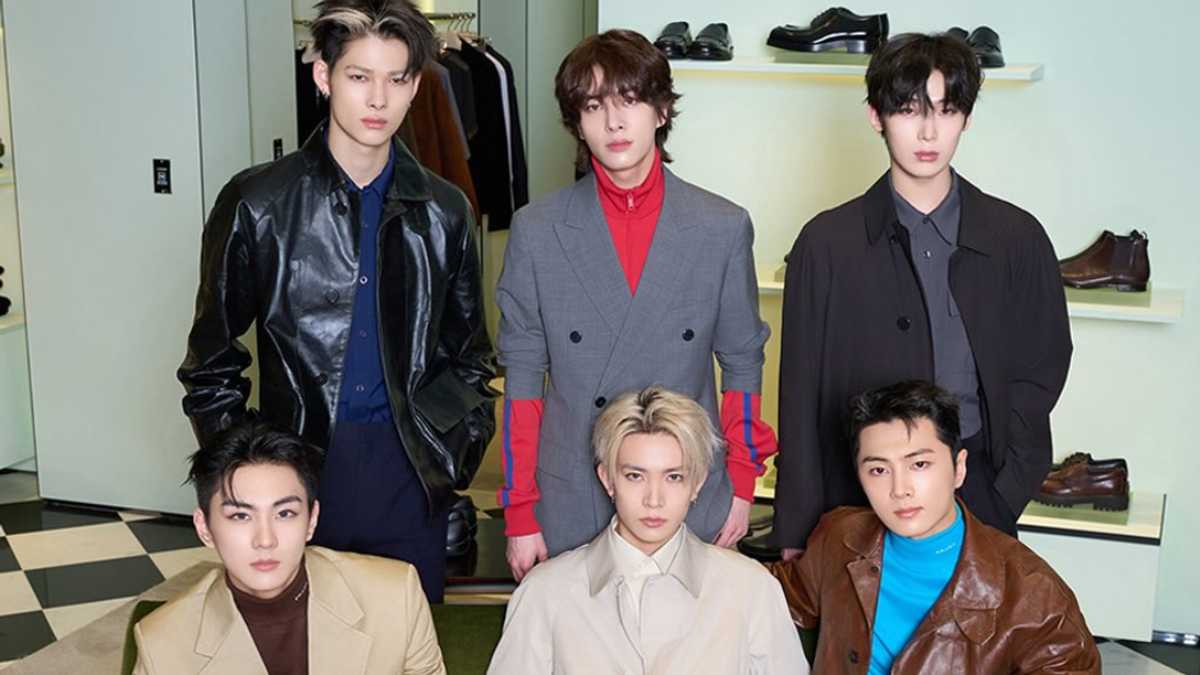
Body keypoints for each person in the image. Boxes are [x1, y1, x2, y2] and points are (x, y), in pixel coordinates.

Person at [177, 0, 496, 602]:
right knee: (301, 640)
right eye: (359, 76)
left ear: (415, 86)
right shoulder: (258, 204)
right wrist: (248, 476)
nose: (378, 99)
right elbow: (210, 364)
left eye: (396, 79)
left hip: (413, 465)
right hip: (296, 467)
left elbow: (472, 356)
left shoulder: (445, 211)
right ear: (323, 76)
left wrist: (455, 450)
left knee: (405, 639)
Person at [773, 32, 1072, 555]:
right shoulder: (825, 244)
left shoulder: (1016, 238)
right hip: (854, 502)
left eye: (947, 110)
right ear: (876, 116)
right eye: (909, 110)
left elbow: (1043, 367)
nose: (929, 131)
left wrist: (1005, 490)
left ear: (967, 118)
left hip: (980, 492)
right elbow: (799, 396)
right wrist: (797, 532)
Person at [497, 29, 776, 581]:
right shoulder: (537, 230)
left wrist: (743, 483)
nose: (614, 122)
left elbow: (742, 363)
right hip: (574, 489)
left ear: (661, 110)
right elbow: (523, 384)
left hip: (688, 484)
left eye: (629, 100)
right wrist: (519, 508)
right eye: (593, 106)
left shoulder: (721, 227)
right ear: (577, 123)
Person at [769, 381, 1099, 674]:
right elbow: (777, 595)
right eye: (879, 470)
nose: (900, 489)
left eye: (919, 464)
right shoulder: (840, 536)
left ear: (959, 468)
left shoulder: (1033, 593)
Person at [487, 387, 808, 674]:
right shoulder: (545, 593)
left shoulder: (751, 589)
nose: (654, 500)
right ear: (607, 479)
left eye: (673, 477)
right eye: (635, 476)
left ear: (697, 483)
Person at [133, 419, 446, 674]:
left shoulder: (394, 596)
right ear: (205, 528)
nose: (265, 539)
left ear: (312, 520)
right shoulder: (163, 645)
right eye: (240, 516)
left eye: (284, 514)